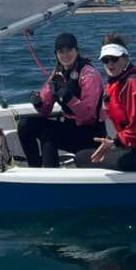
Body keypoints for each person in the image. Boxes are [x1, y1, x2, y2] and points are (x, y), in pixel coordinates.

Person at [74, 32, 136, 172]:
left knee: (81, 159)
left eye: (114, 59)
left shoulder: (134, 83)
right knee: (83, 155)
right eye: (105, 60)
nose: (109, 64)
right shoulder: (118, 81)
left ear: (126, 58)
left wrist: (113, 143)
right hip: (131, 147)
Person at [17, 32, 105, 168]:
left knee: (49, 134)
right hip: (70, 127)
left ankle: (50, 175)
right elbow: (46, 109)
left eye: (69, 50)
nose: (65, 55)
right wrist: (38, 102)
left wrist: (69, 98)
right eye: (61, 51)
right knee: (25, 125)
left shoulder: (89, 74)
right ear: (56, 54)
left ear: (77, 51)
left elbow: (88, 115)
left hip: (90, 133)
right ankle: (34, 168)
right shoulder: (57, 73)